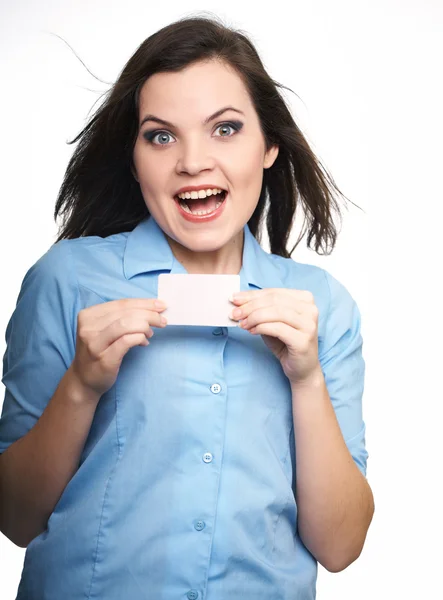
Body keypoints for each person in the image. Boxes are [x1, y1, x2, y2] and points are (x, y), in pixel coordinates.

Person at [0, 14, 374, 600]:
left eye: (225, 129)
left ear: (270, 145)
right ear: (134, 157)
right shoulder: (65, 281)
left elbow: (341, 546)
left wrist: (307, 381)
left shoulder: (323, 305)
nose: (193, 162)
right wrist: (81, 385)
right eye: (161, 135)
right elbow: (15, 519)